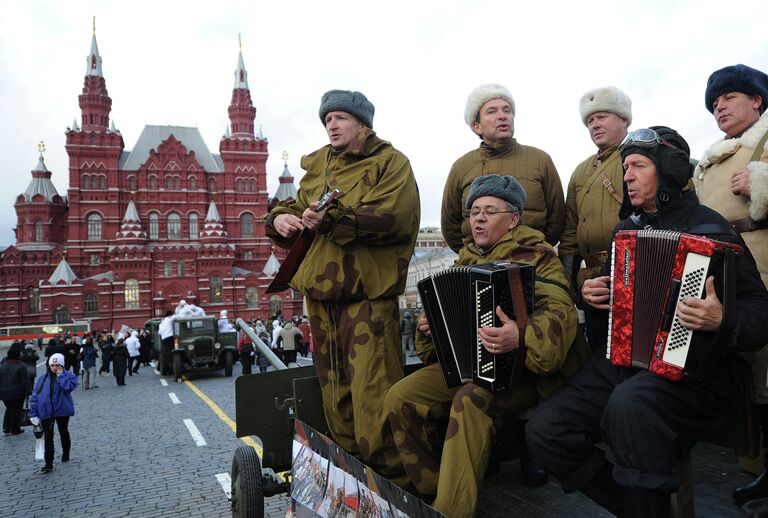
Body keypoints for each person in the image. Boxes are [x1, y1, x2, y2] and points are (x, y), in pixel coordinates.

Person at [525, 126, 768, 517]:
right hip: (623, 363)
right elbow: (613, 316)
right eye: (625, 167)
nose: (627, 176)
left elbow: (760, 309)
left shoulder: (711, 228)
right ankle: (637, 507)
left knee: (630, 407)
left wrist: (723, 318)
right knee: (545, 430)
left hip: (694, 372)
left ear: (668, 171)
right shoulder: (627, 231)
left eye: (638, 165)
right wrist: (596, 299)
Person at [386, 174, 585, 517]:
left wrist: (520, 336)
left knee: (470, 400)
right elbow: (436, 350)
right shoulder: (464, 261)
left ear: (513, 220)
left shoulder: (536, 256)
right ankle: (435, 488)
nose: (478, 218)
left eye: (489, 211)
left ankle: (452, 510)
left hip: (524, 375)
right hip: (471, 366)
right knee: (401, 397)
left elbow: (561, 312)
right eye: (474, 211)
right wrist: (430, 326)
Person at [265, 89, 420, 482]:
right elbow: (296, 206)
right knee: (334, 392)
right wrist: (279, 221)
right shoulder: (320, 165)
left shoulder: (390, 163)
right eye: (327, 119)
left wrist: (333, 221)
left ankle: (390, 483)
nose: (331, 125)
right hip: (321, 296)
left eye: (340, 118)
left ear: (363, 124)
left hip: (366, 297)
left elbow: (393, 219)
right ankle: (352, 479)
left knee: (374, 391)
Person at [692, 64, 768, 505]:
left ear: (756, 99)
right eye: (714, 103)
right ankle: (758, 464)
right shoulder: (715, 154)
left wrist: (761, 181)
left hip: (764, 261)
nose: (719, 107)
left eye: (729, 97)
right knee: (750, 372)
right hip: (733, 274)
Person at [442, 83, 565, 252]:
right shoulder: (461, 167)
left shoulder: (540, 160)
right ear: (476, 126)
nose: (503, 116)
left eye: (507, 110)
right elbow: (450, 226)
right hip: (478, 265)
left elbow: (557, 218)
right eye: (492, 111)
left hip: (532, 264)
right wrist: (475, 254)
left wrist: (534, 251)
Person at [558, 86, 632, 347]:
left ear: (624, 119)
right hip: (590, 280)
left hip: (630, 271)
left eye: (602, 117)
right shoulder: (580, 171)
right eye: (590, 121)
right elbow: (569, 234)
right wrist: (569, 286)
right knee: (598, 352)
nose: (595, 125)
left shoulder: (641, 154)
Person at [29, 353, 77, 473]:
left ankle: (66, 453)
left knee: (63, 432)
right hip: (46, 412)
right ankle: (48, 463)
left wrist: (60, 376)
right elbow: (35, 396)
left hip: (62, 411)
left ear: (62, 365)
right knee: (48, 437)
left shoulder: (69, 375)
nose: (55, 367)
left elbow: (67, 388)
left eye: (57, 365)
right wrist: (33, 413)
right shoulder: (42, 378)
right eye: (52, 365)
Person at [1, 348, 32, 435]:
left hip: (3, 393)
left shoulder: (2, 365)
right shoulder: (21, 366)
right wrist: (28, 392)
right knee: (16, 410)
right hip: (17, 393)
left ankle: (6, 428)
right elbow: (25, 381)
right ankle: (15, 429)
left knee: (9, 409)